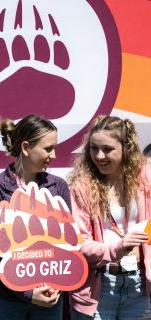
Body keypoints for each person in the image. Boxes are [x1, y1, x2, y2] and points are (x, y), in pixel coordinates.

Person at [0, 114, 71, 320]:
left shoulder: (58, 186)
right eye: (48, 148)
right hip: (4, 301)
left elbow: (67, 244)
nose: (54, 155)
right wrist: (27, 293)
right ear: (26, 147)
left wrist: (57, 286)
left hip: (49, 297)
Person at [68, 115, 151, 319]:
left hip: (140, 286)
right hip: (99, 286)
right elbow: (79, 242)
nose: (99, 156)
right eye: (94, 148)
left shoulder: (146, 177)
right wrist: (117, 247)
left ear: (126, 148)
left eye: (107, 149)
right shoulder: (82, 186)